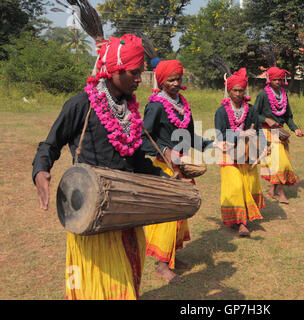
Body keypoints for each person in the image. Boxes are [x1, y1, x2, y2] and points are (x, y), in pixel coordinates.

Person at [32, 34, 164, 299]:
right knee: (95, 282)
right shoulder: (80, 105)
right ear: (114, 70)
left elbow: (136, 158)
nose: (139, 79)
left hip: (126, 207)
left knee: (126, 274)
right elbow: (49, 145)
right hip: (91, 210)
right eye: (134, 73)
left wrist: (163, 175)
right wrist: (40, 172)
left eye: (141, 73)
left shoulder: (129, 109)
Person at [141, 60, 213, 284]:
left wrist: (212, 145)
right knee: (168, 217)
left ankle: (171, 257)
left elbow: (190, 136)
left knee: (181, 214)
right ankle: (162, 266)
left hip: (182, 166)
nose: (175, 83)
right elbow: (143, 138)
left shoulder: (183, 103)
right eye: (170, 80)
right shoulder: (156, 106)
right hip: (165, 168)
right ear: (161, 81)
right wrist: (165, 151)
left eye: (178, 79)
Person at [214, 68, 266, 237]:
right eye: (234, 90)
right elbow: (220, 135)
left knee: (249, 186)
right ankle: (241, 223)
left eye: (240, 90)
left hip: (247, 154)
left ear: (245, 91)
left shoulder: (250, 110)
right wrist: (239, 134)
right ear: (228, 91)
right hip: (228, 153)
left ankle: (242, 219)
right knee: (235, 187)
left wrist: (264, 147)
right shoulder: (221, 112)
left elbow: (257, 131)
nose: (237, 93)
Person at [254, 67, 304, 204]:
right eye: (274, 79)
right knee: (281, 163)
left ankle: (272, 190)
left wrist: (295, 129)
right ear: (269, 80)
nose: (277, 82)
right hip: (267, 134)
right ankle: (281, 193)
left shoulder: (284, 94)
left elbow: (288, 116)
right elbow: (253, 114)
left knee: (279, 163)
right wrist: (266, 120)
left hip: (281, 134)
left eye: (279, 79)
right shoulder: (263, 95)